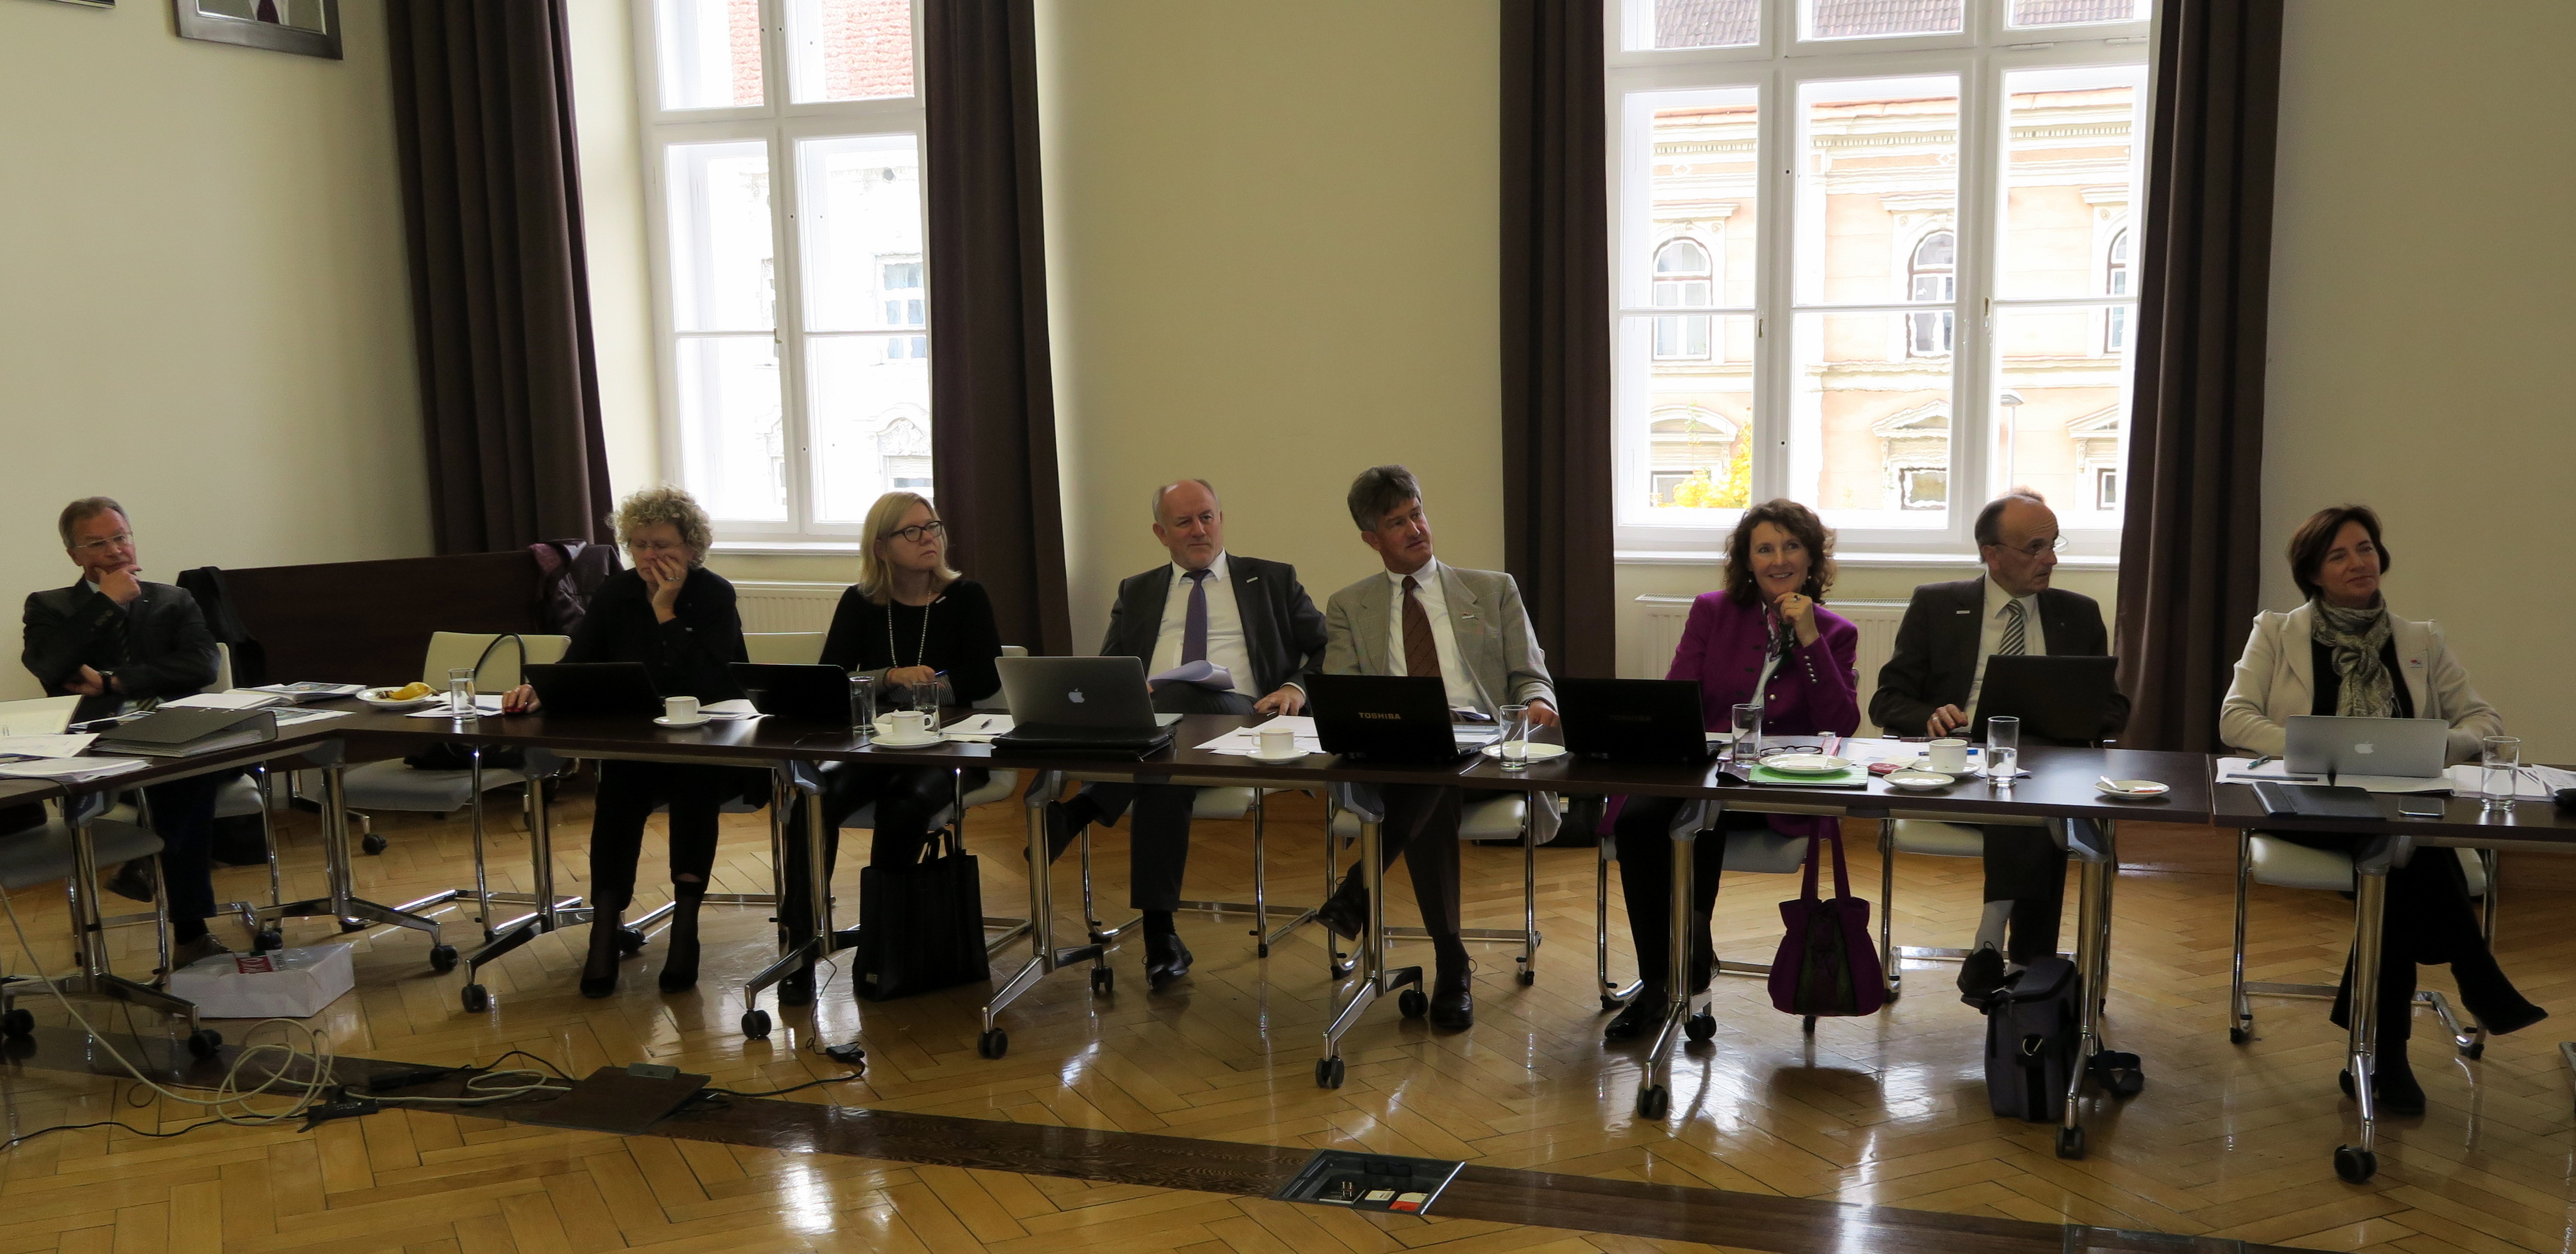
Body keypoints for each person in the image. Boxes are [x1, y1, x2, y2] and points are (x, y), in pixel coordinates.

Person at [2219, 504, 2543, 1114]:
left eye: (2364, 548)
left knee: (2395, 860)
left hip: (2398, 804)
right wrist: (2310, 748)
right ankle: (2471, 978)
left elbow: (2483, 719)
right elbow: (2234, 718)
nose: (2357, 562)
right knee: (2406, 852)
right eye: (2338, 554)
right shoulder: (2276, 631)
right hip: (2304, 799)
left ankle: (2376, 1056)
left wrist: (2433, 746)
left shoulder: (2420, 638)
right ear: (2313, 572)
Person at [1043, 479, 1328, 990]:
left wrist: (1293, 687)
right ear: (1161, 533)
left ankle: (1082, 809)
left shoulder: (1272, 579)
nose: (1199, 530)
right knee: (1163, 770)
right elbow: (1111, 668)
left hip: (1243, 719)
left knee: (1181, 697)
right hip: (1159, 737)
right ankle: (1161, 938)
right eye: (1184, 522)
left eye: (1207, 517)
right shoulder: (1137, 590)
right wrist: (1127, 692)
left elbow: (1331, 648)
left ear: (1221, 519)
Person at [1598, 501, 1860, 1042]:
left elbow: (1841, 723)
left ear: (1812, 559)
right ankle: (1662, 979)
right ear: (1747, 560)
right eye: (1764, 548)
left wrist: (1808, 637)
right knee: (1641, 821)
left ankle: (1687, 964)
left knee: (1700, 821)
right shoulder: (1711, 611)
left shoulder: (1835, 632)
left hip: (1775, 788)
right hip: (1704, 774)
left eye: (1791, 546)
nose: (1778, 559)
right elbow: (1679, 694)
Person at [1319, 466, 1558, 1031]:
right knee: (1431, 779)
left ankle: (1361, 890)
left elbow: (1532, 675)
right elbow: (1343, 696)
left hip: (1484, 752)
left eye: (1417, 513)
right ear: (1371, 538)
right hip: (1394, 755)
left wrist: (1537, 701)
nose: (1415, 529)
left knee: (1437, 775)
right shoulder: (1349, 605)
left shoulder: (1493, 589)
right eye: (1396, 522)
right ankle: (1451, 962)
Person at [1868, 489, 2129, 1004]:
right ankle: (2032, 968)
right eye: (2035, 548)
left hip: (2047, 769)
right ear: (1992, 553)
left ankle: (1991, 942)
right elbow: (1886, 700)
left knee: (2032, 792)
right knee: (2042, 810)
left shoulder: (2078, 614)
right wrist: (1930, 715)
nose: (2050, 560)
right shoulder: (1937, 605)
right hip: (1959, 770)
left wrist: (2071, 711)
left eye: (2053, 545)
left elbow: (2113, 708)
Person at [501, 486, 759, 999]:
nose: (650, 556)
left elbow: (711, 677)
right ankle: (604, 924)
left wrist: (665, 611)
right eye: (640, 545)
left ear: (691, 548)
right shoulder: (616, 594)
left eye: (662, 545)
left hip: (712, 742)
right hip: (639, 741)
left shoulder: (715, 595)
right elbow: (580, 661)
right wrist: (540, 688)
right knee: (618, 788)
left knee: (693, 784)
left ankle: (686, 923)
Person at [772, 490, 1002, 1004]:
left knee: (904, 805)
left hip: (952, 747)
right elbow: (831, 677)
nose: (928, 538)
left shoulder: (967, 596)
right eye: (912, 531)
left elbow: (985, 674)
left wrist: (931, 690)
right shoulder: (861, 601)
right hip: (876, 746)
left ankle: (883, 943)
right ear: (881, 547)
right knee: (815, 798)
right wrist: (889, 677)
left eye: (933, 527)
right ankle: (800, 942)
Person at [21, 497, 231, 967]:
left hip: (177, 732)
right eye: (98, 543)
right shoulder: (50, 606)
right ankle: (191, 932)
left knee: (198, 762)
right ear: (75, 555)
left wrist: (114, 681)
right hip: (99, 745)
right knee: (190, 776)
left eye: (121, 537)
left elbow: (202, 665)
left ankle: (149, 861)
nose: (115, 550)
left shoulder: (174, 599)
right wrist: (107, 602)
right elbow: (49, 666)